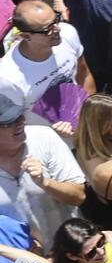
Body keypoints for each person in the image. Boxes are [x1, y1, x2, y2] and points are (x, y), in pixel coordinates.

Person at [0, 96, 87, 241]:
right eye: (9, 122)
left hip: (74, 252)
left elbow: (79, 196)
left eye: (20, 116)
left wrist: (45, 183)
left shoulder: (44, 136)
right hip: (23, 261)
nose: (21, 123)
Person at [0, 0, 94, 118]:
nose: (57, 29)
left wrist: (89, 116)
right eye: (48, 29)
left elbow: (84, 75)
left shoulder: (67, 33)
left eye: (56, 20)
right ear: (26, 36)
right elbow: (11, 122)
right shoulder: (9, 78)